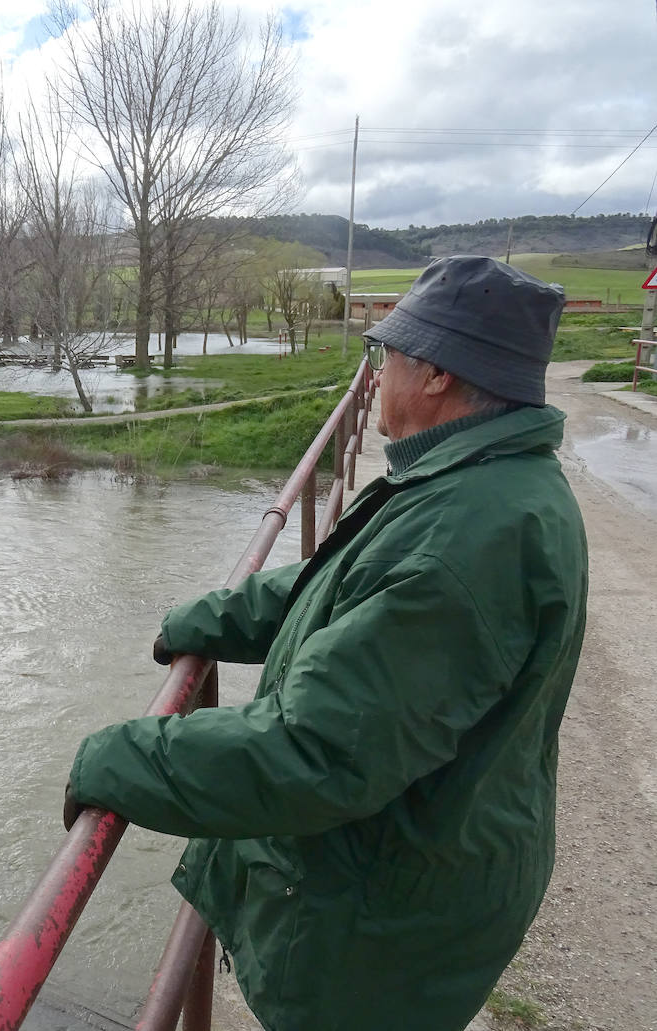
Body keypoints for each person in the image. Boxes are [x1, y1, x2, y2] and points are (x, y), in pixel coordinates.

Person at [63, 255, 589, 1031]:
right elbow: (344, 585)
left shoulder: (467, 535)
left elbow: (315, 751)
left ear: (438, 373)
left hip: (381, 934)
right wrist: (207, 619)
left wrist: (114, 758)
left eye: (388, 354)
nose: (373, 374)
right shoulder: (479, 485)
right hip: (429, 873)